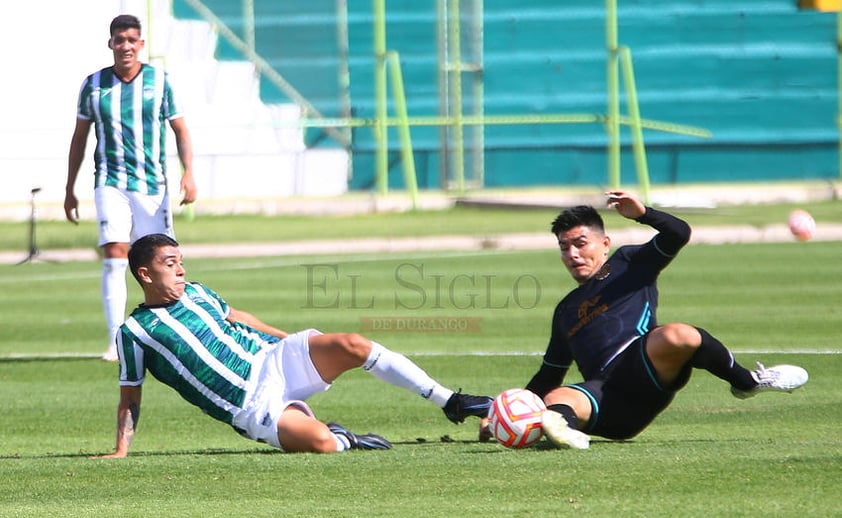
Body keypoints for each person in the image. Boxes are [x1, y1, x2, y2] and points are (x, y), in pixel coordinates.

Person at [95, 233, 492, 457]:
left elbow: (240, 318)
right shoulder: (134, 332)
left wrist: (293, 341)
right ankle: (342, 436)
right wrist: (120, 450)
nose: (181, 270)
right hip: (249, 405)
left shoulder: (198, 292)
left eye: (181, 261)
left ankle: (450, 402)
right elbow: (130, 396)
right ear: (145, 274)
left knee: (353, 344)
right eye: (170, 264)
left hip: (273, 359)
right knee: (323, 444)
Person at [519, 190, 808, 449]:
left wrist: (644, 213)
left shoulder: (628, 262)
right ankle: (565, 432)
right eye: (563, 247)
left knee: (678, 334)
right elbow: (548, 375)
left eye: (580, 244)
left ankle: (747, 382)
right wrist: (507, 414)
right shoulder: (566, 310)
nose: (572, 254)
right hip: (608, 403)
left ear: (605, 243)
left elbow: (678, 234)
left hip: (645, 367)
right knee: (557, 397)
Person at [64, 14, 197, 362]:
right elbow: (79, 139)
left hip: (153, 186)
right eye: (119, 40)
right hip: (110, 182)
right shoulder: (94, 85)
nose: (125, 46)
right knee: (114, 255)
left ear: (141, 45)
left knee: (162, 260)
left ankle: (171, 332)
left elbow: (180, 130)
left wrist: (189, 173)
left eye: (131, 40)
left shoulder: (160, 82)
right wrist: (69, 188)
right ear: (110, 43)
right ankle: (115, 341)